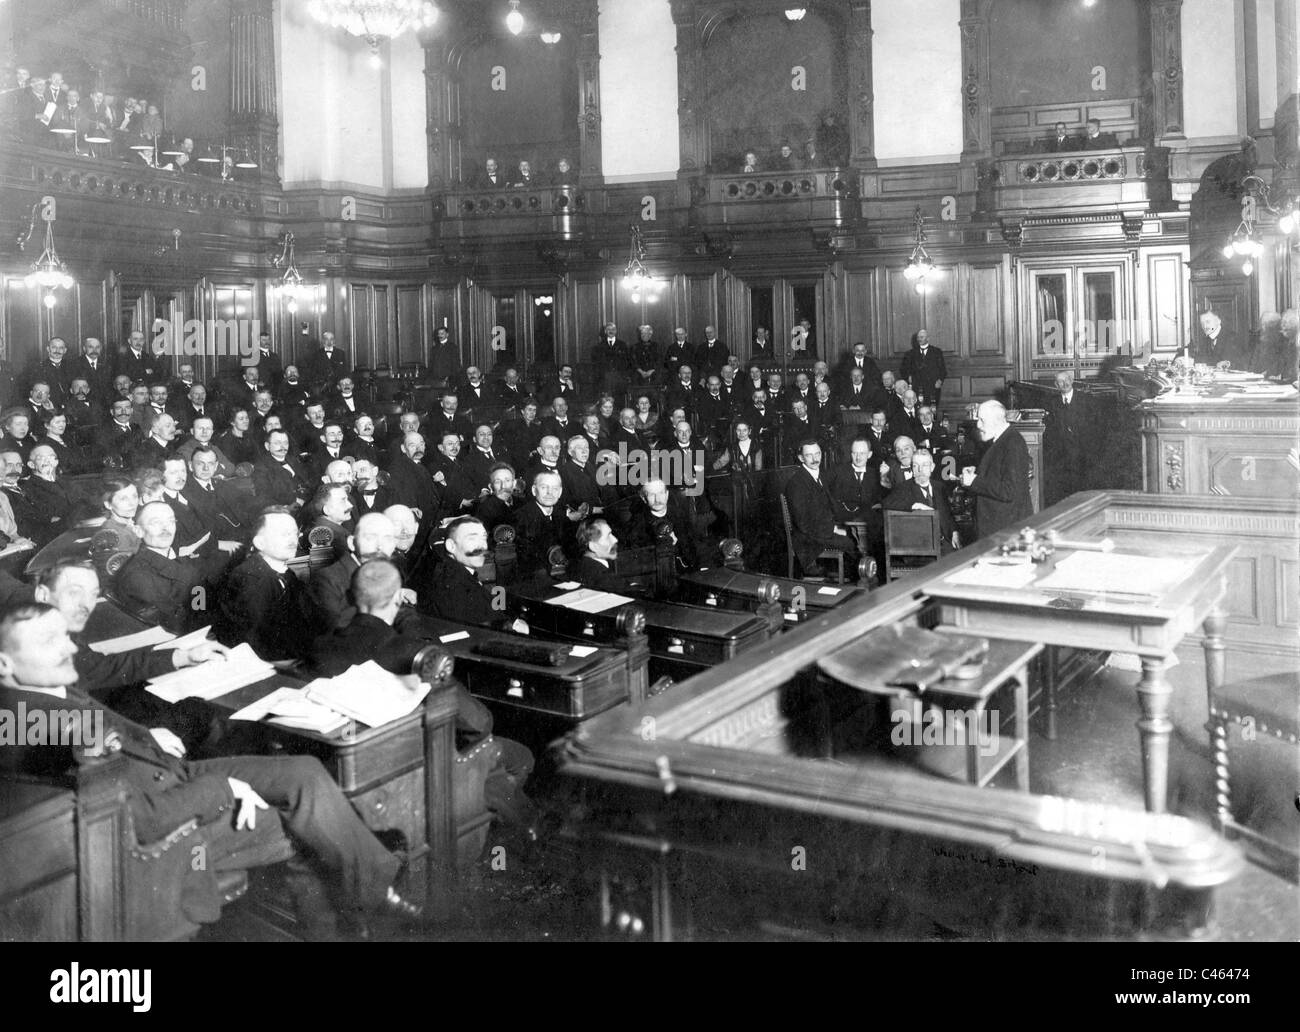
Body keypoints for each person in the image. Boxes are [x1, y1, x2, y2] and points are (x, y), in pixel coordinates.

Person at [0, 602, 420, 931]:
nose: (70, 648)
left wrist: (145, 735)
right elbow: (140, 821)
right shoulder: (45, 727)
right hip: (166, 832)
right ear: (3, 663)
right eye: (48, 641)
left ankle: (375, 878)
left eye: (65, 635)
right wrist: (225, 789)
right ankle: (362, 905)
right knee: (304, 824)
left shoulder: (39, 695)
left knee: (304, 772)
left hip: (169, 774)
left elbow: (105, 731)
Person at [309, 560, 537, 831]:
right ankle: (484, 830)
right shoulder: (414, 655)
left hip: (360, 767)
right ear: (398, 598)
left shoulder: (320, 647)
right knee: (521, 757)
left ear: (349, 597)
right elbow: (478, 722)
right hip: (423, 763)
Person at [217, 508, 327, 662]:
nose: (293, 540)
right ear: (260, 543)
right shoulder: (251, 578)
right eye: (284, 534)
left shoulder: (286, 571)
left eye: (295, 534)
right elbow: (261, 639)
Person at [424, 517, 529, 632]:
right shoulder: (452, 584)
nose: (483, 546)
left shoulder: (460, 572)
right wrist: (512, 625)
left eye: (483, 538)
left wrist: (513, 620)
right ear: (451, 546)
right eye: (472, 538)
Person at [113, 502, 204, 633]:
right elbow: (174, 622)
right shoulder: (137, 575)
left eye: (171, 521)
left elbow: (200, 601)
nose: (166, 529)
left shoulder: (183, 561)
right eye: (156, 523)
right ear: (138, 531)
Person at [782, 440, 856, 579]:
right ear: (801, 458)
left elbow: (829, 506)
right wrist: (833, 529)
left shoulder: (820, 475)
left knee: (853, 532)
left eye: (817, 454)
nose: (815, 459)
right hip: (808, 539)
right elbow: (803, 523)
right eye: (809, 455)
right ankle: (854, 579)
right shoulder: (796, 483)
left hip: (821, 530)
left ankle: (846, 575)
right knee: (850, 542)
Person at [960, 401, 1034, 540]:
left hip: (1006, 529)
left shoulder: (1013, 443)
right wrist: (978, 472)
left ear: (997, 420)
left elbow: (1009, 491)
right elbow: (998, 474)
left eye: (982, 420)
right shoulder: (1002, 439)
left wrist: (974, 481)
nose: (978, 425)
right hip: (998, 526)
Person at [884, 449, 958, 552]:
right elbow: (886, 503)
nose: (920, 470)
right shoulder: (904, 488)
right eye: (915, 466)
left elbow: (948, 514)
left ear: (932, 467)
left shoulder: (939, 487)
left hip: (945, 543)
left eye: (925, 465)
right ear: (912, 468)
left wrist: (954, 532)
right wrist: (914, 505)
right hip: (920, 549)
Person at [1043, 371, 1091, 505]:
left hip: (1081, 451)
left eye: (1066, 380)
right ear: (1056, 385)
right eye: (1060, 382)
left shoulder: (1085, 399)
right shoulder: (1052, 402)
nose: (1064, 384)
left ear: (1072, 380)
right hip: (1060, 453)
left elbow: (1092, 426)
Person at [573, 517, 627, 592]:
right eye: (608, 536)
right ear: (593, 546)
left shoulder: (584, 565)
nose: (615, 540)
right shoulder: (604, 577)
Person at [899, 329, 946, 410]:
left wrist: (940, 381)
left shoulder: (937, 352)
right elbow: (903, 369)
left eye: (922, 337)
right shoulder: (910, 353)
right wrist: (908, 377)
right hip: (917, 387)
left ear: (928, 338)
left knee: (932, 410)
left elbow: (943, 370)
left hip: (932, 387)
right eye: (918, 337)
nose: (919, 339)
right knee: (918, 410)